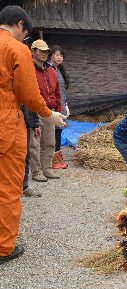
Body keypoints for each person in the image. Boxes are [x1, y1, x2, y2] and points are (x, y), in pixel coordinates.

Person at [0, 5, 66, 264]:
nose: (24, 39)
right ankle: (4, 247)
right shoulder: (15, 49)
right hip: (6, 121)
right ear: (19, 24)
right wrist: (48, 113)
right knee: (7, 187)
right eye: (25, 34)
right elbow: (28, 92)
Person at [29, 39, 62, 182]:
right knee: (34, 143)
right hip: (35, 110)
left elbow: (57, 91)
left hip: (49, 110)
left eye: (45, 51)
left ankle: (47, 169)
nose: (43, 54)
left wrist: (59, 108)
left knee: (49, 142)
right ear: (33, 51)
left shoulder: (51, 71)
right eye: (40, 51)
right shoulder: (28, 69)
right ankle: (36, 171)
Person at [48, 45, 70, 169]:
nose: (59, 57)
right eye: (57, 54)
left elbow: (62, 90)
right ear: (51, 55)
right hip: (53, 106)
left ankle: (57, 157)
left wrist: (65, 104)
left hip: (61, 105)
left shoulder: (59, 70)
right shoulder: (48, 69)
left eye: (61, 55)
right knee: (52, 133)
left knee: (59, 132)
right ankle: (52, 160)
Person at [21, 104, 42, 197]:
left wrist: (36, 124)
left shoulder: (26, 89)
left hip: (25, 124)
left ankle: (24, 186)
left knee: (25, 156)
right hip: (8, 124)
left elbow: (31, 103)